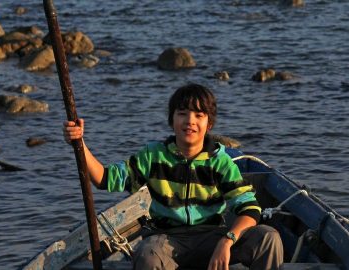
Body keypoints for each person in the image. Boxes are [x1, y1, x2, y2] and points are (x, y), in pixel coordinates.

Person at [63, 83, 283, 270]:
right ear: (172, 120)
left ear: (209, 124)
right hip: (166, 240)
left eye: (199, 115)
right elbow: (105, 179)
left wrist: (227, 240)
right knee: (147, 255)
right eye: (182, 113)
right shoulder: (153, 156)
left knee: (268, 237)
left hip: (212, 236)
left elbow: (250, 209)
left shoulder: (219, 161)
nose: (190, 121)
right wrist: (80, 144)